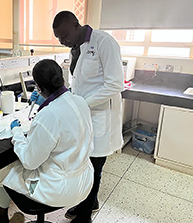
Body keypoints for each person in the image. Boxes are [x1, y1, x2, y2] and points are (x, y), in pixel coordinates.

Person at [0, 59, 94, 223]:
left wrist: (16, 132)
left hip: (56, 190)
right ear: (62, 78)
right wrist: (44, 103)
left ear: (38, 87)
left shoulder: (48, 116)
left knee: (4, 169)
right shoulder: (80, 101)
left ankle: (1, 219)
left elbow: (30, 162)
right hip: (84, 181)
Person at [51, 10, 124, 223]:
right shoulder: (77, 48)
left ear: (76, 25)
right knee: (84, 163)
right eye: (58, 38)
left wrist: (81, 104)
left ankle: (84, 218)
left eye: (64, 36)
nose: (62, 41)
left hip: (101, 117)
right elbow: (81, 83)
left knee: (94, 167)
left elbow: (115, 84)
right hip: (85, 116)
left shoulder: (104, 42)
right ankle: (89, 202)